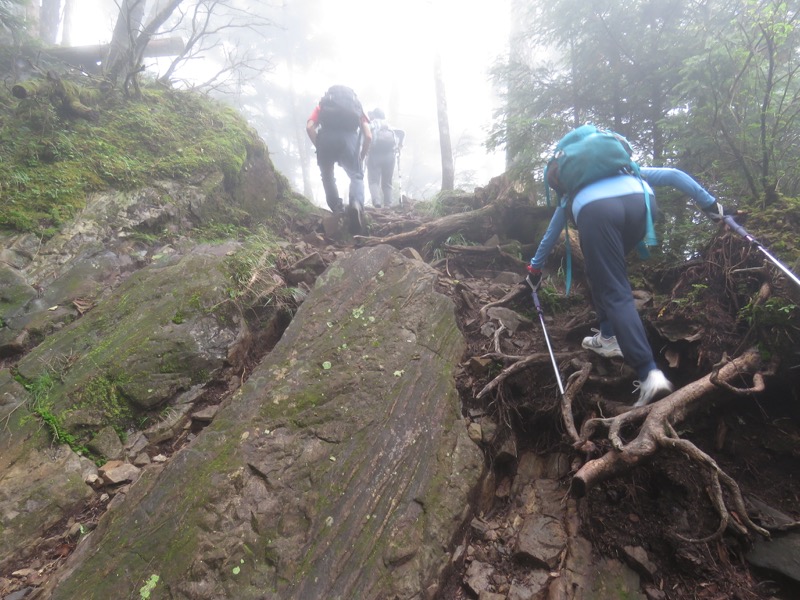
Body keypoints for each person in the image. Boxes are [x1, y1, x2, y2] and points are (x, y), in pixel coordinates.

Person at [527, 164, 728, 407]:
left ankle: (649, 375)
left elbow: (551, 233)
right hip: (643, 204)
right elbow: (675, 175)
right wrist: (711, 206)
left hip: (598, 212)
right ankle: (608, 336)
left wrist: (534, 269)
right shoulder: (624, 169)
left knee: (615, 292)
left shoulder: (572, 192)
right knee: (599, 270)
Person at [307, 85, 372, 233]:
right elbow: (368, 135)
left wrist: (319, 146)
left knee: (327, 176)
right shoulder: (357, 107)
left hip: (325, 139)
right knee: (356, 175)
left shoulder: (323, 106)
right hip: (349, 140)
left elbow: (309, 127)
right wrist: (361, 156)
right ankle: (356, 203)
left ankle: (337, 208)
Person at [366, 108, 405, 208]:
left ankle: (377, 202)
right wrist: (400, 145)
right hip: (389, 155)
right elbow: (402, 132)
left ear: (374, 115)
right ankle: (388, 204)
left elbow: (366, 136)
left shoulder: (372, 124)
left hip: (374, 155)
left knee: (373, 181)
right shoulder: (389, 125)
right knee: (387, 182)